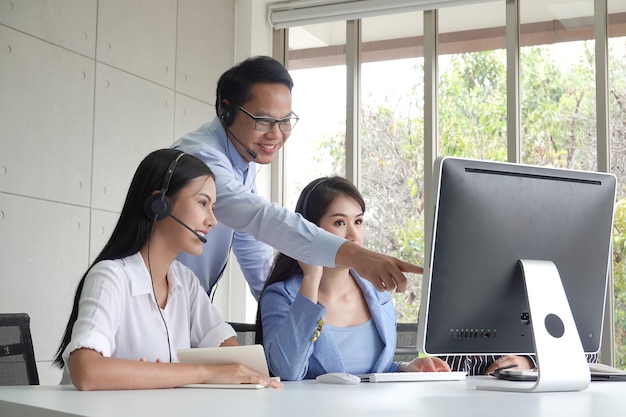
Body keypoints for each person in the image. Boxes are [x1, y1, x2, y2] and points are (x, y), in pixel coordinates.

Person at [172, 55, 420, 300]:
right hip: (157, 301)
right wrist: (356, 256)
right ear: (225, 111)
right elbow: (261, 218)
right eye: (264, 120)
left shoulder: (240, 158)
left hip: (188, 302)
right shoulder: (201, 159)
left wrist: (277, 306)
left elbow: (251, 244)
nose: (276, 134)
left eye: (285, 121)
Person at [53, 149, 281, 390]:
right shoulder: (111, 277)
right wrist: (201, 373)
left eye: (213, 207)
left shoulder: (186, 283)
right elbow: (87, 371)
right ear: (159, 204)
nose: (212, 221)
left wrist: (252, 376)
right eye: (202, 203)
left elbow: (235, 361)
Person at [256, 176, 450, 380]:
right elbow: (287, 371)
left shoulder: (377, 292)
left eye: (358, 221)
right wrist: (311, 276)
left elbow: (369, 373)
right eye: (339, 222)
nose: (353, 235)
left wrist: (403, 367)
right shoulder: (281, 295)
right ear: (311, 230)